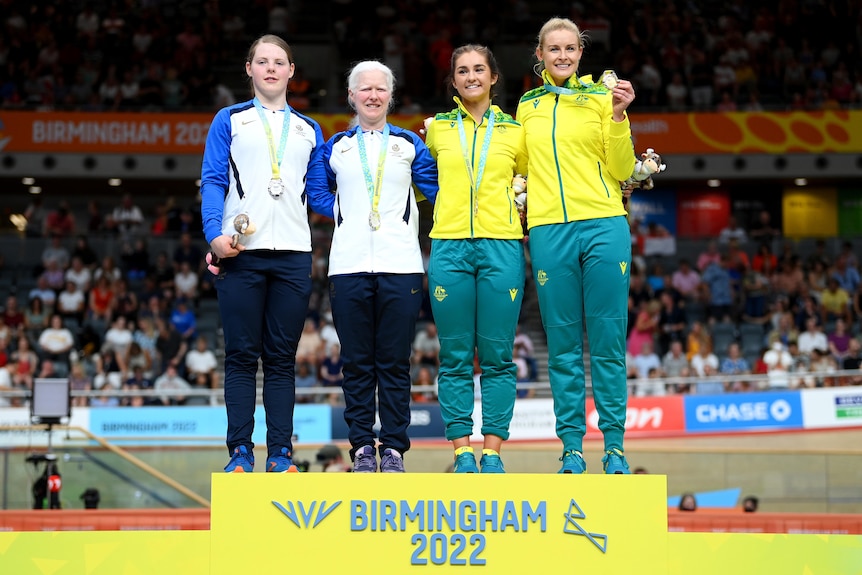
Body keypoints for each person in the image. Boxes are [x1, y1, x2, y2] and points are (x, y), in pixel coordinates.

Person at [200, 34, 334, 474]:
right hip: (241, 253)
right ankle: (240, 452)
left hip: (294, 255)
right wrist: (213, 236)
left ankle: (280, 454)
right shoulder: (230, 119)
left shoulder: (309, 129)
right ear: (249, 69)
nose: (272, 68)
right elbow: (214, 179)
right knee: (241, 355)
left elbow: (318, 195)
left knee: (280, 360)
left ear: (292, 70)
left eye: (280, 62)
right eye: (263, 61)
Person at [305, 60, 438, 473]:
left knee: (395, 361)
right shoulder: (337, 146)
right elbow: (315, 190)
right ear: (351, 96)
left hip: (401, 266)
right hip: (348, 267)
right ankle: (362, 445)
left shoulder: (409, 145)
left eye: (381, 89)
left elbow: (435, 189)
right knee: (358, 362)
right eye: (365, 89)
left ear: (390, 96)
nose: (373, 95)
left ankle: (394, 447)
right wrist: (342, 213)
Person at [516, 17, 636, 474]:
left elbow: (623, 165)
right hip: (549, 230)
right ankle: (570, 447)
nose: (562, 55)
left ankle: (616, 447)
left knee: (607, 342)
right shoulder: (527, 106)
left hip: (605, 224)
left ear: (580, 53)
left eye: (570, 48)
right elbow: (521, 167)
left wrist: (621, 117)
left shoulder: (603, 98)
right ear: (540, 55)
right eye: (554, 49)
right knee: (563, 343)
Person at [425, 44, 527, 474]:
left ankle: (494, 452)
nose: (471, 77)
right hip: (448, 244)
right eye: (462, 70)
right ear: (454, 79)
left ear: (493, 77)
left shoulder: (516, 131)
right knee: (454, 356)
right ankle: (462, 450)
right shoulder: (436, 129)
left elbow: (527, 181)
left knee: (498, 356)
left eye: (479, 69)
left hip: (502, 244)